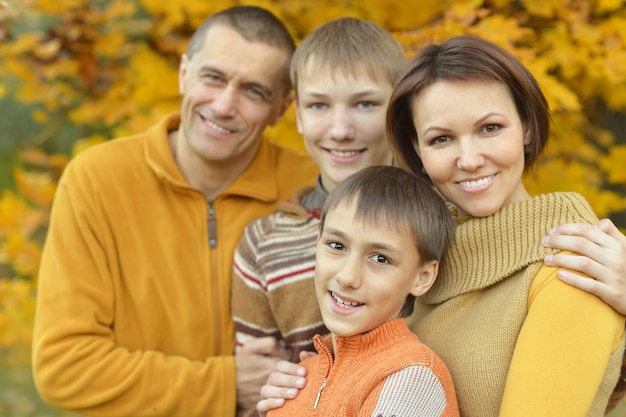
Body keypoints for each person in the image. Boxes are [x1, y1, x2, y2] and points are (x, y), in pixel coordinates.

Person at [256, 36, 626, 417]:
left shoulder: (577, 265)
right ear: (417, 150)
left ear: (527, 128)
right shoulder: (412, 247)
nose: (469, 159)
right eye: (442, 138)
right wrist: (312, 386)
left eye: (490, 128)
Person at [31, 6, 317, 417]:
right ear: (184, 73)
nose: (223, 106)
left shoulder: (314, 188)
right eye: (213, 78)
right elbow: (64, 366)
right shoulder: (95, 181)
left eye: (253, 91)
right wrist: (224, 384)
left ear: (282, 109)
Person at [232, 17, 405, 373]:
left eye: (365, 104)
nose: (340, 130)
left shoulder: (445, 218)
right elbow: (257, 390)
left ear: (398, 109)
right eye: (319, 106)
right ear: (297, 115)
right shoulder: (264, 244)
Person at [267, 165, 460, 417]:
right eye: (336, 245)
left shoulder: (413, 377)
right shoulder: (300, 377)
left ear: (422, 277)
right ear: (318, 242)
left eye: (380, 259)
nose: (347, 277)